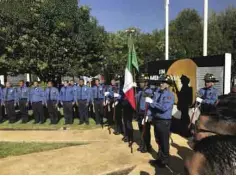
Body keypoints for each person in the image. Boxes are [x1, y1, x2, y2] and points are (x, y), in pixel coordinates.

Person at [146, 74, 175, 167]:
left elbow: (164, 108)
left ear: (168, 84)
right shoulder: (158, 93)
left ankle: (165, 160)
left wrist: (152, 102)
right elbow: (152, 107)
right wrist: (148, 115)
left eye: (163, 82)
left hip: (164, 121)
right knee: (158, 140)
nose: (161, 84)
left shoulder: (170, 95)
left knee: (164, 141)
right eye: (160, 82)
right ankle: (160, 158)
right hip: (156, 120)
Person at [136, 74, 153, 153]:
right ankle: (143, 145)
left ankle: (147, 146)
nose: (140, 83)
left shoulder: (149, 91)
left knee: (146, 131)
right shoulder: (139, 91)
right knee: (141, 130)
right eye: (139, 82)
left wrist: (148, 115)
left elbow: (150, 104)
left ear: (146, 83)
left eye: (142, 82)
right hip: (140, 113)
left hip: (146, 113)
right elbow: (135, 98)